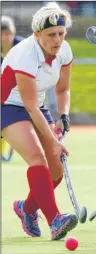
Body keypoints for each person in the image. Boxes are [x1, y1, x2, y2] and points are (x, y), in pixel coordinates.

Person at [1, 2, 77, 240]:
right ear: (37, 35)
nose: (57, 40)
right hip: (8, 107)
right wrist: (54, 141)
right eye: (51, 35)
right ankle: (56, 221)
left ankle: (28, 208)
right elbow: (29, 105)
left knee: (56, 170)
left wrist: (63, 116)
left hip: (37, 107)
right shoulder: (25, 54)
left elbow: (63, 90)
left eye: (61, 34)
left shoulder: (64, 51)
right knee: (38, 157)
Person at [1, 15, 24, 162]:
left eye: (8, 34)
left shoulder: (22, 47)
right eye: (1, 34)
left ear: (13, 33)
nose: (4, 38)